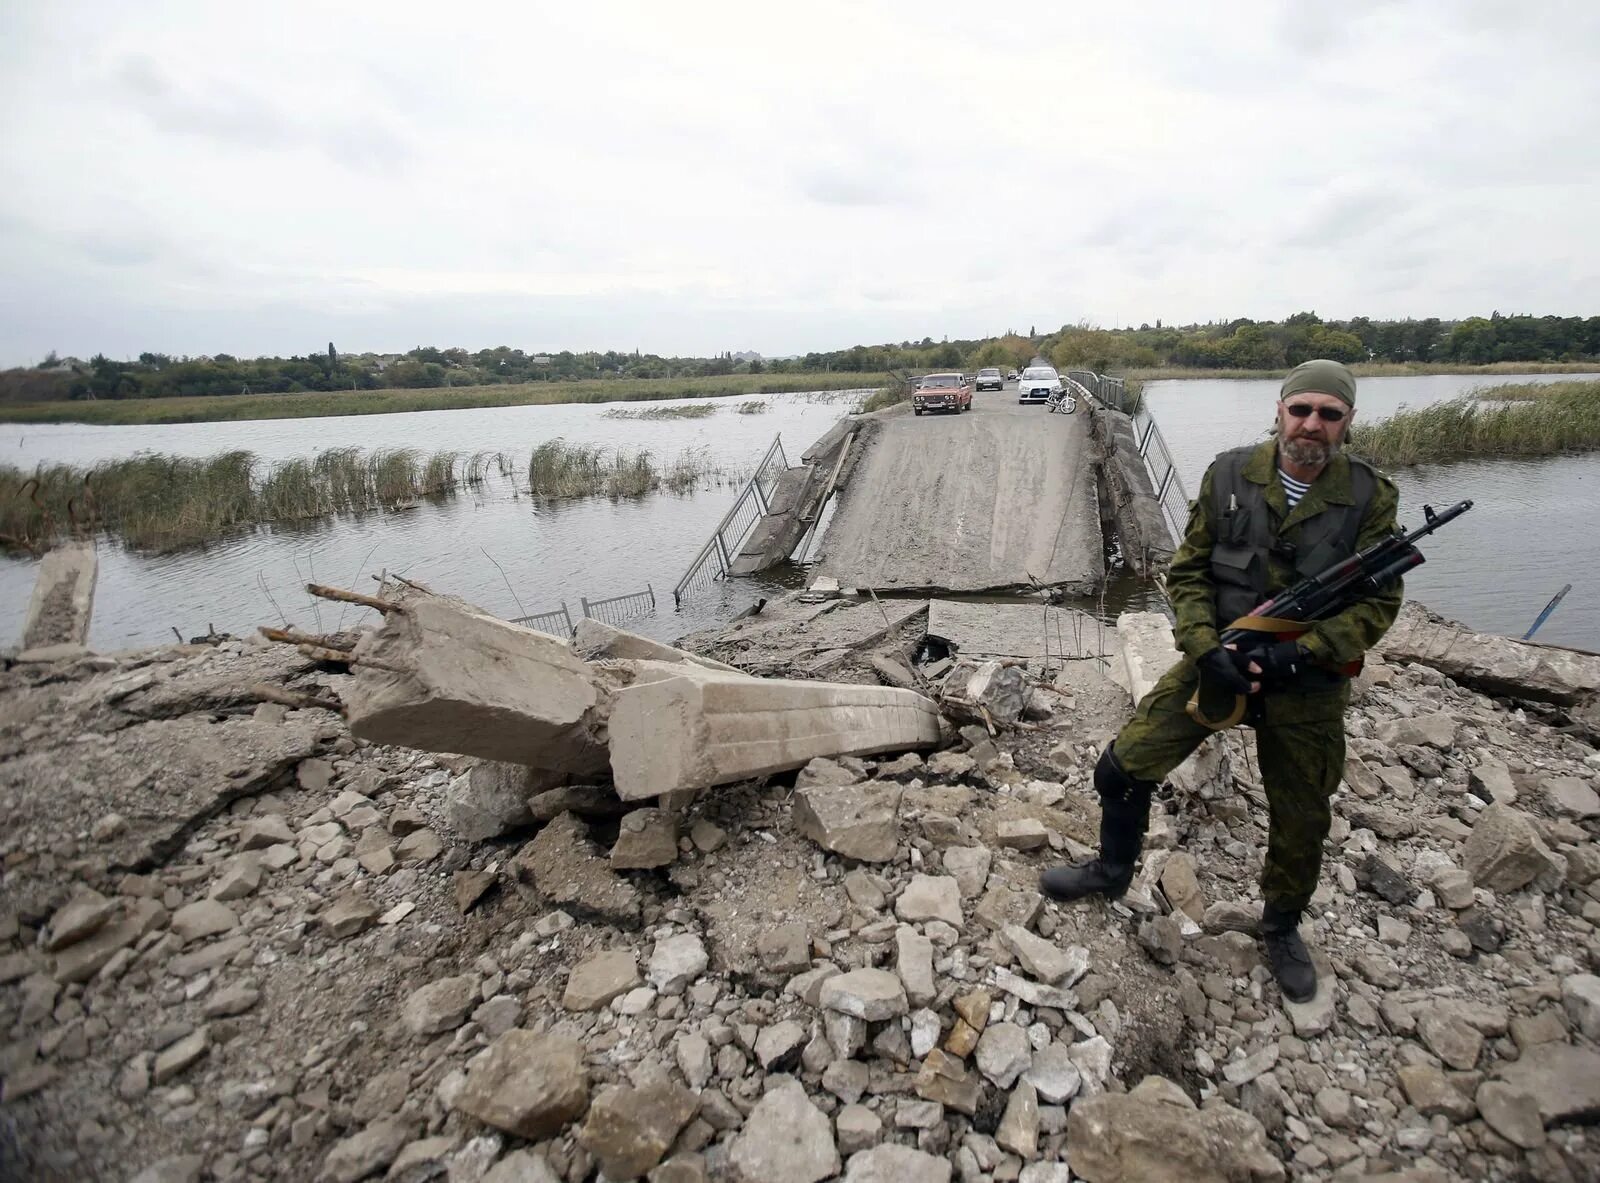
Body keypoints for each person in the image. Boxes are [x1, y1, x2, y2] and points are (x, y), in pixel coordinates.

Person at [1040, 359, 1402, 1003]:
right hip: (1222, 654)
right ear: (1280, 411)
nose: (1312, 425)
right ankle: (1112, 871)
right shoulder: (1230, 475)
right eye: (1302, 410)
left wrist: (1305, 653)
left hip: (1307, 680)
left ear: (1347, 422)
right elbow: (1190, 572)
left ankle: (1281, 927)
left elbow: (1377, 606)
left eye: (1329, 413)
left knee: (1300, 815)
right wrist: (1206, 648)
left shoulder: (1371, 497)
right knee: (1122, 768)